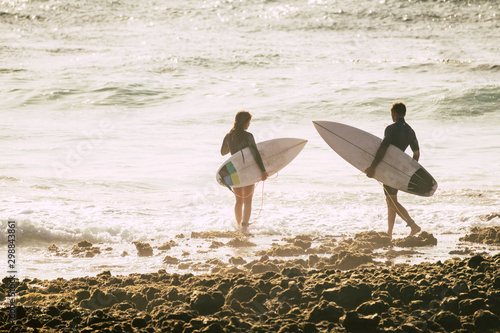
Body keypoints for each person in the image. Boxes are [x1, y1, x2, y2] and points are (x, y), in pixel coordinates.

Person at [365, 102, 422, 239]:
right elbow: (417, 153)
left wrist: (373, 166)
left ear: (394, 114)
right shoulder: (410, 131)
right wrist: (409, 170)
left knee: (391, 202)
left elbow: (383, 148)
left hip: (388, 169)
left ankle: (413, 225)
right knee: (391, 200)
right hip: (399, 169)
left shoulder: (390, 129)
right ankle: (389, 233)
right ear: (405, 114)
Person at [221, 111, 267, 233]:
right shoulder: (248, 136)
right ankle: (244, 227)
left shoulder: (228, 135)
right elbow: (255, 154)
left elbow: (223, 152)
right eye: (248, 122)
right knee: (247, 200)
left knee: (239, 200)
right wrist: (262, 170)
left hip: (232, 169)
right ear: (244, 122)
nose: (249, 125)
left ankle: (238, 225)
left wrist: (231, 144)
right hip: (246, 169)